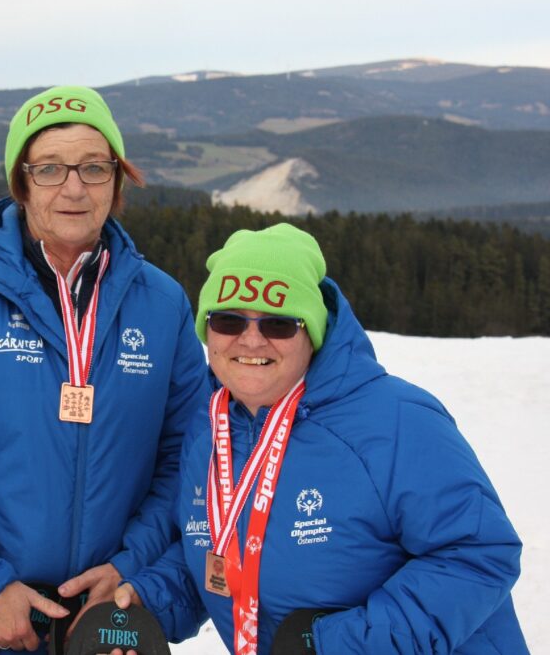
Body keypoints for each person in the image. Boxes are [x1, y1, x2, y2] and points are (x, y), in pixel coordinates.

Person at [0, 85, 209, 653]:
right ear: (22, 182)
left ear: (116, 179)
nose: (74, 188)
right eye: (51, 168)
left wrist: (129, 567)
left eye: (94, 167)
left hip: (108, 621)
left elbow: (185, 457)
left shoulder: (161, 303)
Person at [110, 223, 528, 654]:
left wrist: (340, 646)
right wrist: (151, 601)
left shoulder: (396, 420)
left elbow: (478, 554)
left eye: (278, 324)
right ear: (207, 330)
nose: (251, 339)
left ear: (312, 330)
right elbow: (223, 546)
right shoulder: (210, 428)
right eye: (229, 319)